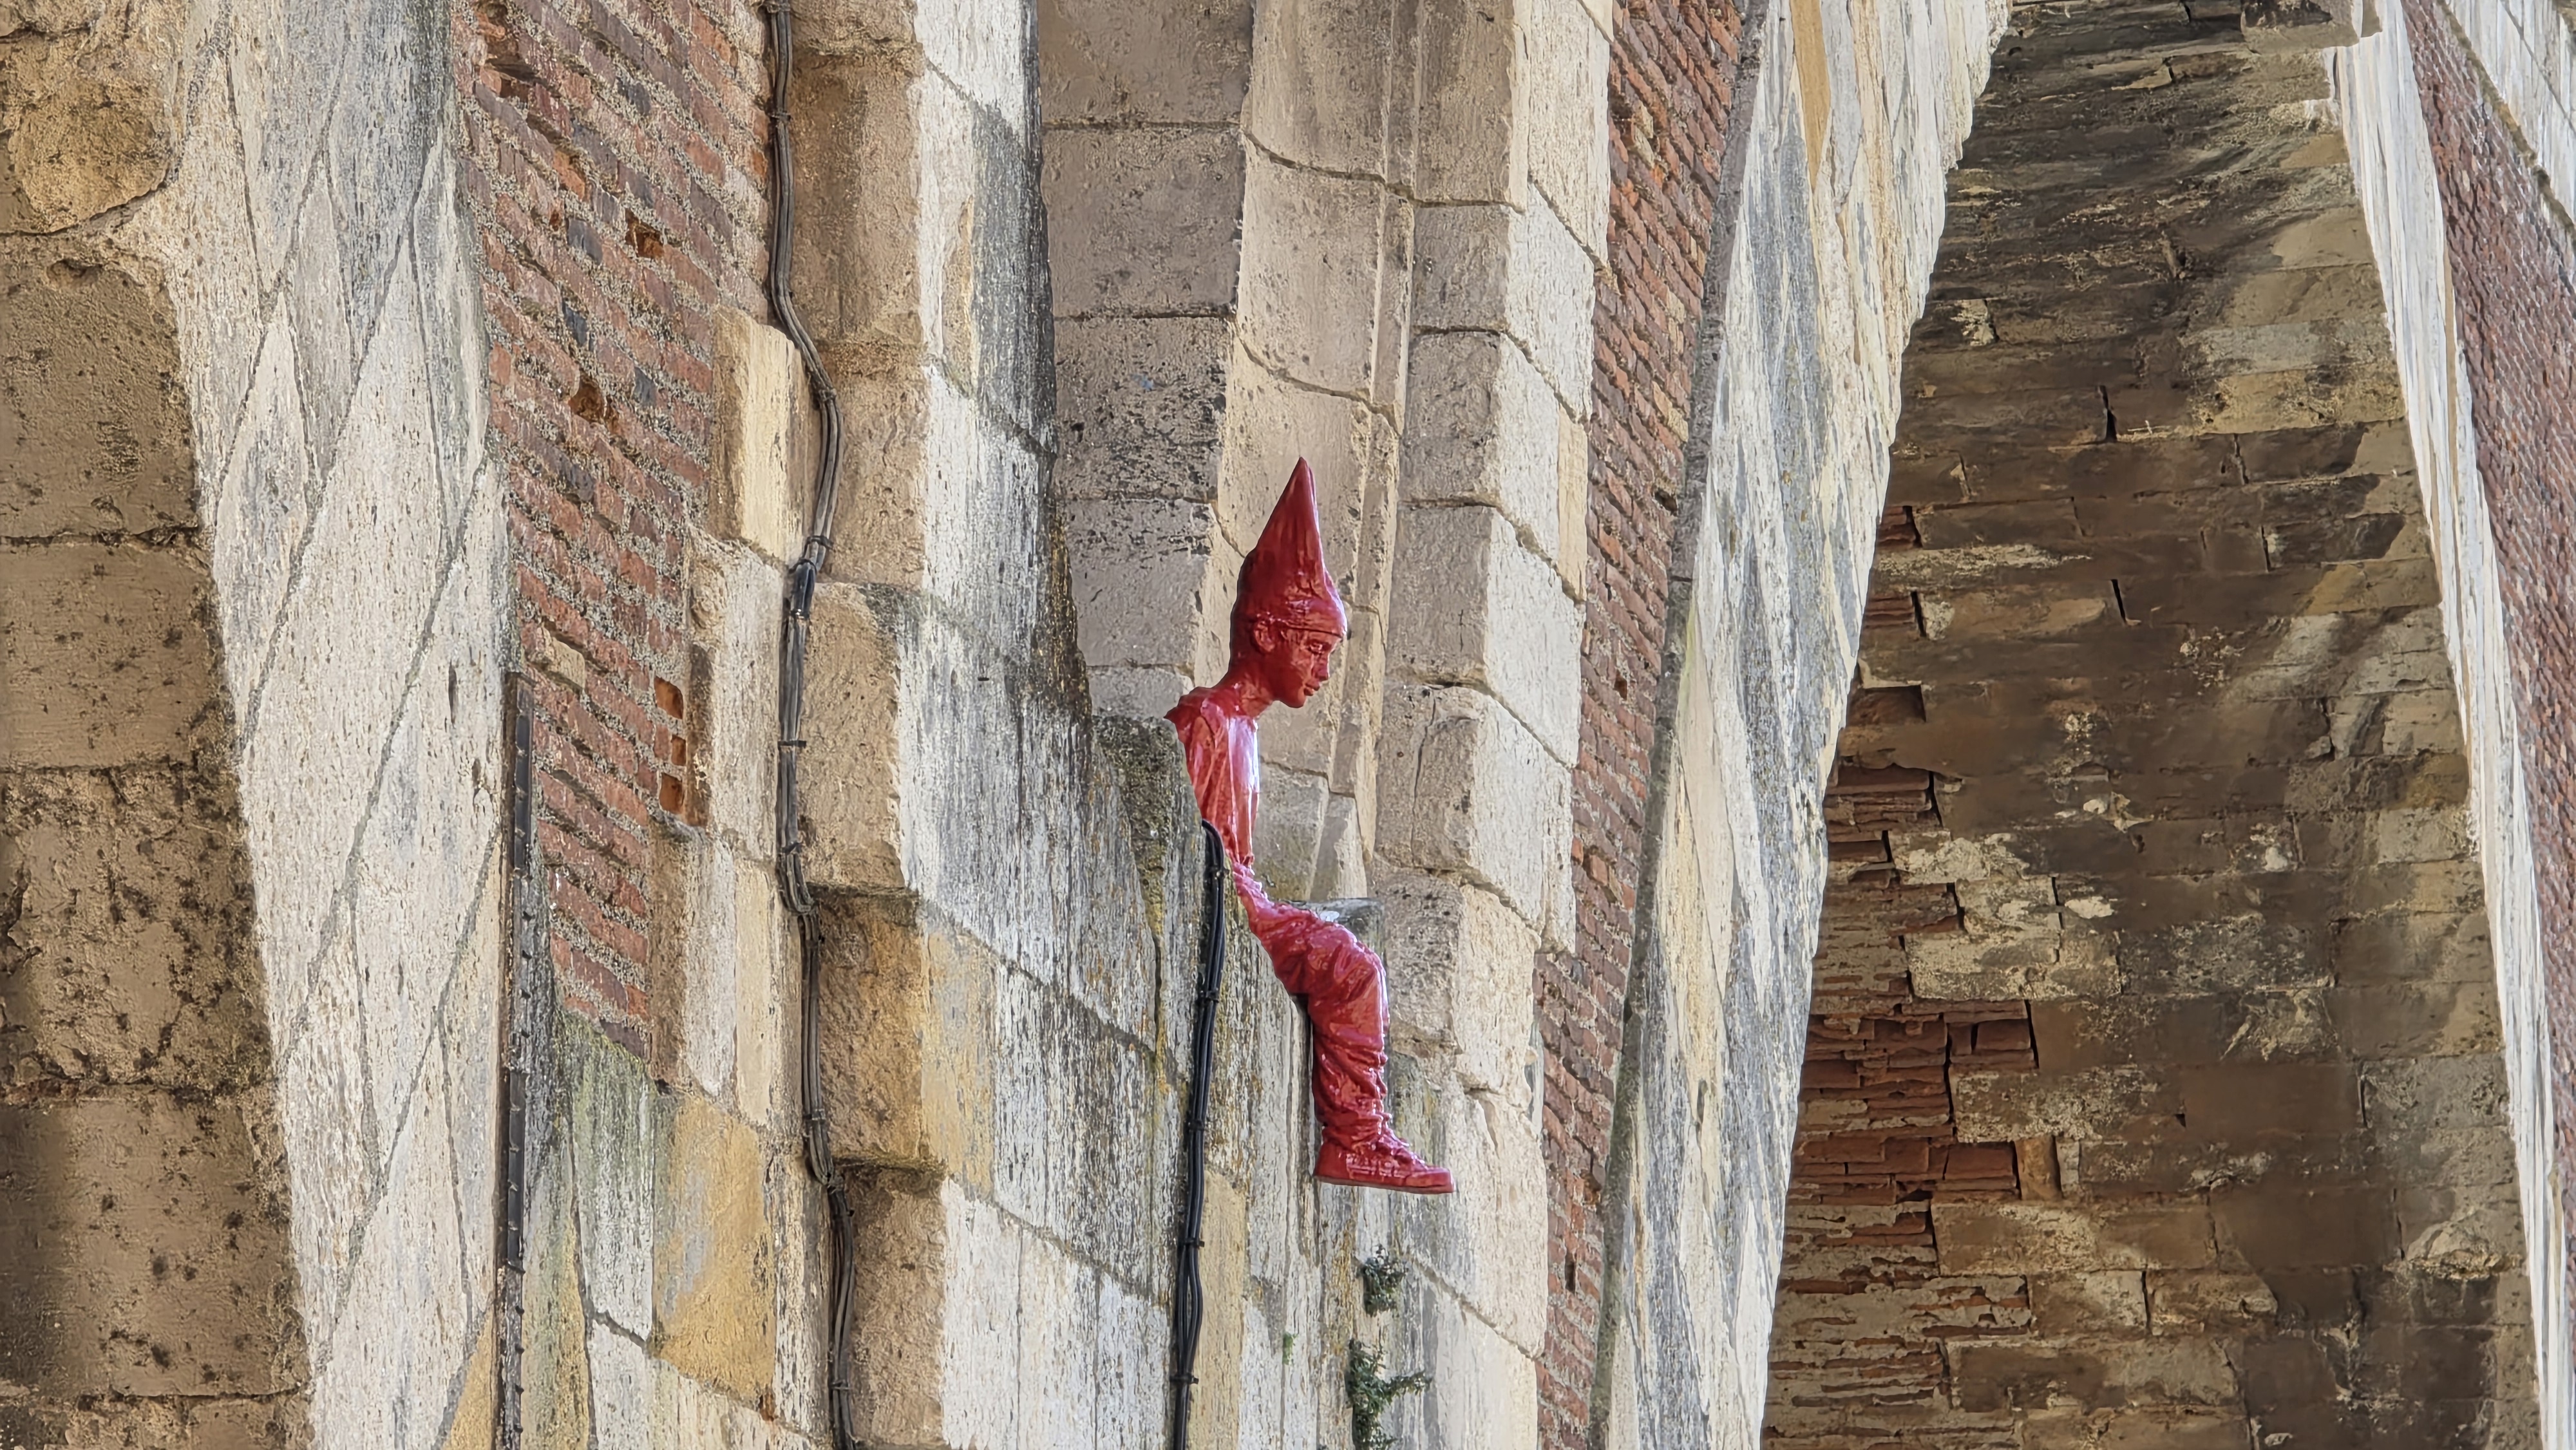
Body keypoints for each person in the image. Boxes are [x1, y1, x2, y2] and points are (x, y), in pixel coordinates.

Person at [1166, 460, 1455, 1194]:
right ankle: (1356, 1135)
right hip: (1230, 902)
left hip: (1244, 898)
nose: (1323, 670)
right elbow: (1202, 855)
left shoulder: (1244, 733)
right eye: (1315, 647)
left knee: (1344, 948)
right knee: (1350, 963)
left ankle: (1366, 1129)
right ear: (1265, 630)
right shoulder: (1207, 719)